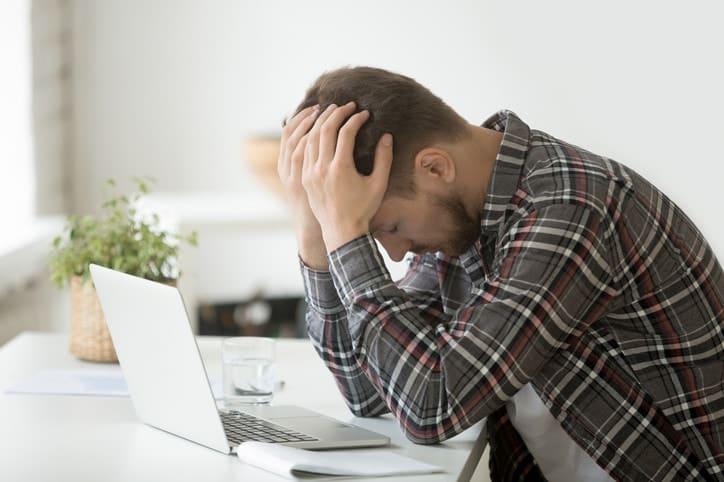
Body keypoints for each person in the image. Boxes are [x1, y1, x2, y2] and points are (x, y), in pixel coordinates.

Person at [277, 65, 724, 481]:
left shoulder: (569, 208)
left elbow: (431, 406)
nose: (394, 254)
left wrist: (347, 236)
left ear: (435, 167)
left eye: (389, 228)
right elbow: (373, 393)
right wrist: (314, 235)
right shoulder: (461, 219)